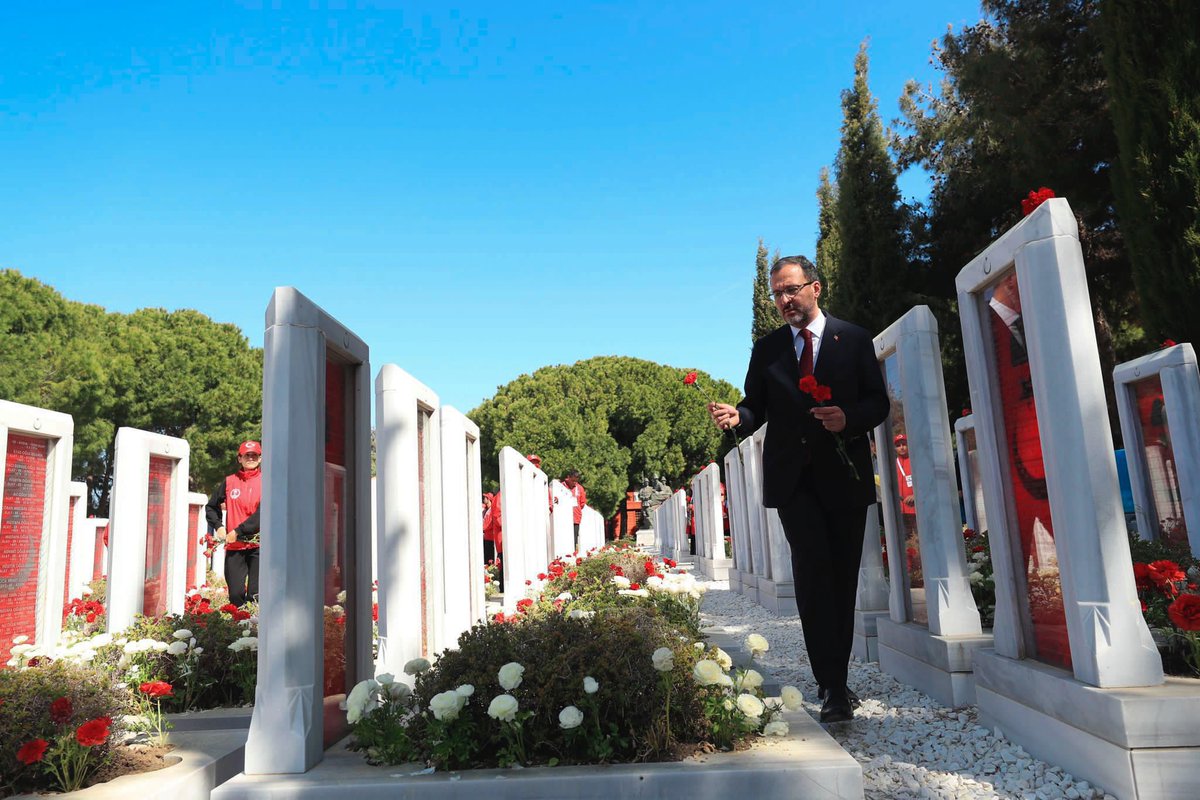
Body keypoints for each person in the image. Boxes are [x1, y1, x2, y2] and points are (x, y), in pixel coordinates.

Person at [708, 255, 889, 723]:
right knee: (813, 578)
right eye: (777, 293)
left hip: (844, 478)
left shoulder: (852, 339)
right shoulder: (767, 349)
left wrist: (848, 418)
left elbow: (877, 402)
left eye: (791, 290)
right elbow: (756, 407)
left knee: (841, 578)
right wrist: (738, 417)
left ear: (816, 288)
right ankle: (831, 685)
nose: (784, 300)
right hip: (794, 483)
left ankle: (838, 677)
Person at [205, 440, 263, 607]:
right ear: (240, 458)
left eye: (254, 455)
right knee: (236, 595)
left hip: (259, 546)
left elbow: (263, 513)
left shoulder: (267, 481)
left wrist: (238, 530)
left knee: (256, 595)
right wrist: (219, 526)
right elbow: (211, 506)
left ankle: (255, 631)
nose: (250, 458)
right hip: (235, 546)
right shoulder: (230, 481)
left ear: (260, 458)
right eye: (247, 455)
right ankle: (239, 630)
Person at [893, 434, 918, 542]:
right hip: (900, 509)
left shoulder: (914, 461)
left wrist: (915, 495)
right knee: (905, 539)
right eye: (898, 445)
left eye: (904, 444)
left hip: (915, 507)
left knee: (918, 536)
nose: (902, 447)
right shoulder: (893, 464)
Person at [562, 469, 588, 548]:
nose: (574, 483)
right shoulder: (561, 486)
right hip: (564, 518)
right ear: (568, 477)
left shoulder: (580, 488)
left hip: (576, 518)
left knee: (574, 539)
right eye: (572, 480)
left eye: (576, 481)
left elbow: (582, 503)